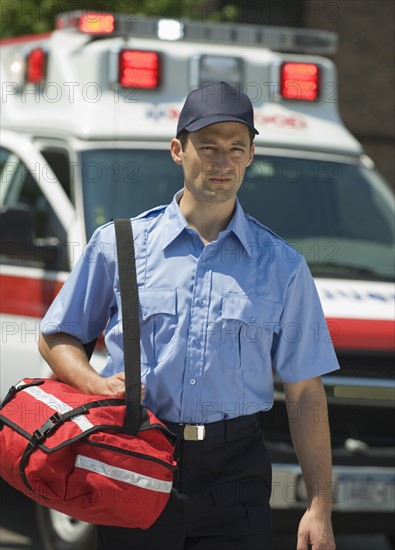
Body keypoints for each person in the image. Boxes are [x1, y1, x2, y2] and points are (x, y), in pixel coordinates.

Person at [39, 81, 338, 550]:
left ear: (251, 155)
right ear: (178, 150)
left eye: (236, 148)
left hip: (236, 473)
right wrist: (93, 384)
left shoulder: (282, 266)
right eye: (208, 146)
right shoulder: (120, 247)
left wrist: (320, 505)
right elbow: (57, 335)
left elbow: (304, 392)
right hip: (135, 455)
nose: (222, 161)